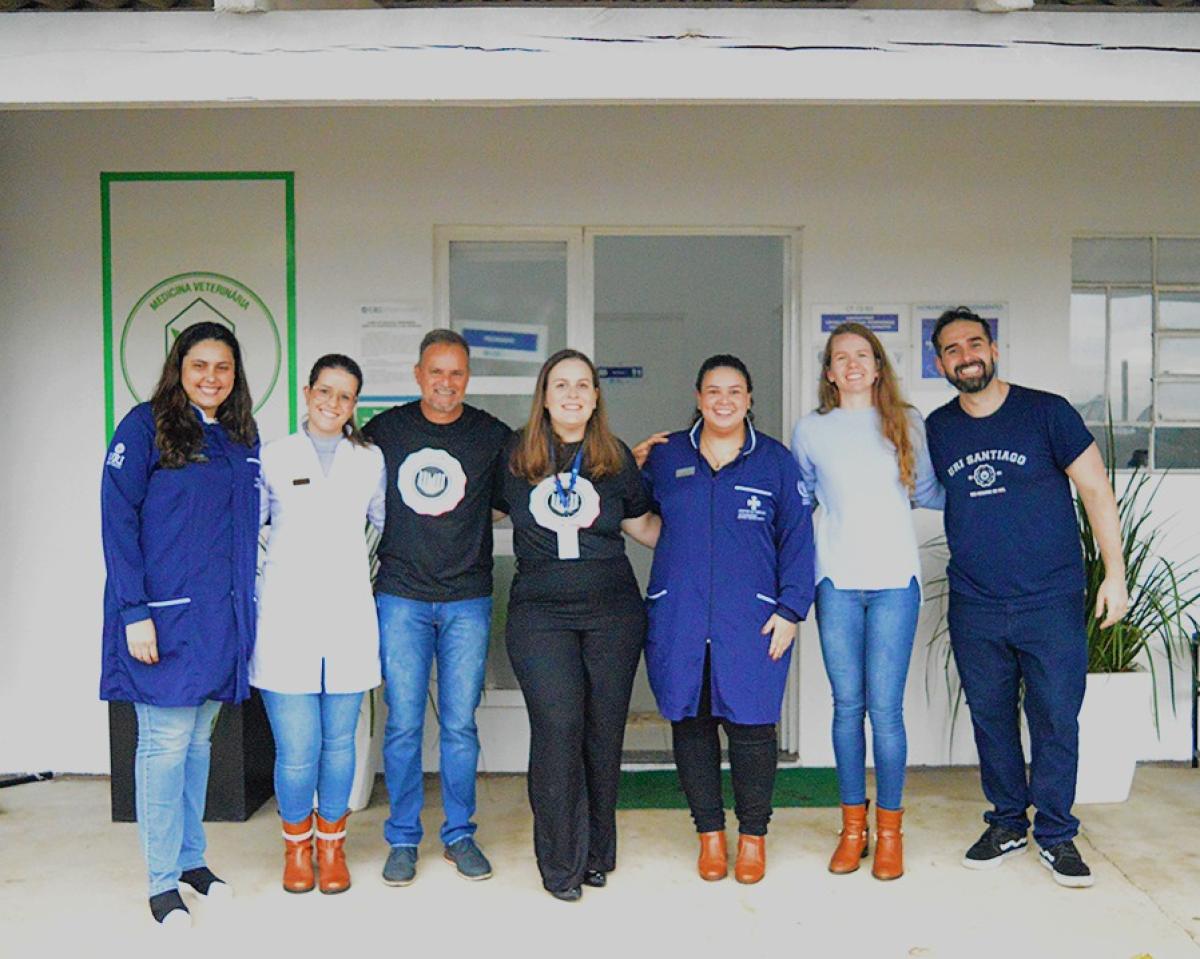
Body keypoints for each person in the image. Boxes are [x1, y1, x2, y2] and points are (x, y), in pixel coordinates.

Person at [925, 306, 1128, 888]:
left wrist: (1114, 575)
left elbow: (1096, 489)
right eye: (952, 349)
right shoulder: (939, 428)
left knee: (1056, 719)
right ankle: (1008, 823)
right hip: (976, 603)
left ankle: (1057, 834)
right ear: (940, 364)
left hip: (1051, 600)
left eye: (974, 344)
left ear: (993, 349)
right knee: (991, 720)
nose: (966, 356)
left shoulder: (1047, 413)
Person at [100, 321, 260, 928]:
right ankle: (161, 883)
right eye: (199, 365)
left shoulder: (241, 435)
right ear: (179, 368)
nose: (211, 377)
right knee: (163, 748)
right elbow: (116, 520)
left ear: (235, 374)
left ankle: (192, 861)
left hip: (220, 620)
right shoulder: (144, 426)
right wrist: (133, 612)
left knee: (196, 746)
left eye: (223, 367)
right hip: (160, 620)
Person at [639, 355, 814, 885]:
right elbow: (629, 511)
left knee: (753, 728)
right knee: (691, 724)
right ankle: (710, 836)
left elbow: (797, 541)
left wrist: (791, 610)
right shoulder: (667, 456)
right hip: (682, 614)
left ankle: (753, 838)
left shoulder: (775, 462)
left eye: (734, 391)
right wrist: (626, 462)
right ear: (698, 398)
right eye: (713, 391)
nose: (723, 400)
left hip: (753, 619)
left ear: (749, 398)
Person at [497, 349, 660, 902]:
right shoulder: (515, 456)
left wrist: (710, 531)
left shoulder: (615, 457)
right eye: (561, 385)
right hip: (540, 616)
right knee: (558, 728)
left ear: (595, 398)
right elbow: (476, 511)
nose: (572, 394)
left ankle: (596, 853)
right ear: (544, 397)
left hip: (613, 613)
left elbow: (644, 526)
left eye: (582, 385)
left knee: (602, 733)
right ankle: (560, 863)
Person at [790, 323, 943, 882]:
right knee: (847, 707)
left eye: (862, 355)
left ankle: (891, 833)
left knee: (886, 712)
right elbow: (800, 500)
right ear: (829, 373)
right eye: (841, 357)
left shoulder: (907, 422)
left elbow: (928, 492)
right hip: (836, 582)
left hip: (895, 583)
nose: (852, 364)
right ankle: (852, 830)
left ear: (878, 366)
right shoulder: (811, 430)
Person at [362, 329, 512, 886]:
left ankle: (459, 835)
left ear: (467, 378)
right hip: (401, 596)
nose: (445, 382)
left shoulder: (491, 435)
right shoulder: (386, 431)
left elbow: (506, 503)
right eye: (436, 371)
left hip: (467, 599)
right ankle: (403, 839)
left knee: (459, 725)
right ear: (417, 374)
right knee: (403, 724)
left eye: (456, 373)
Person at [251, 354, 386, 895]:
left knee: (339, 746)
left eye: (345, 396)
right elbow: (251, 529)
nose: (333, 403)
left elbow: (382, 525)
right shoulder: (273, 456)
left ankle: (332, 848)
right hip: (286, 620)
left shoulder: (369, 459)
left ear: (355, 405)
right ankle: (296, 848)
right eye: (325, 391)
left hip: (348, 617)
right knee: (297, 750)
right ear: (307, 393)